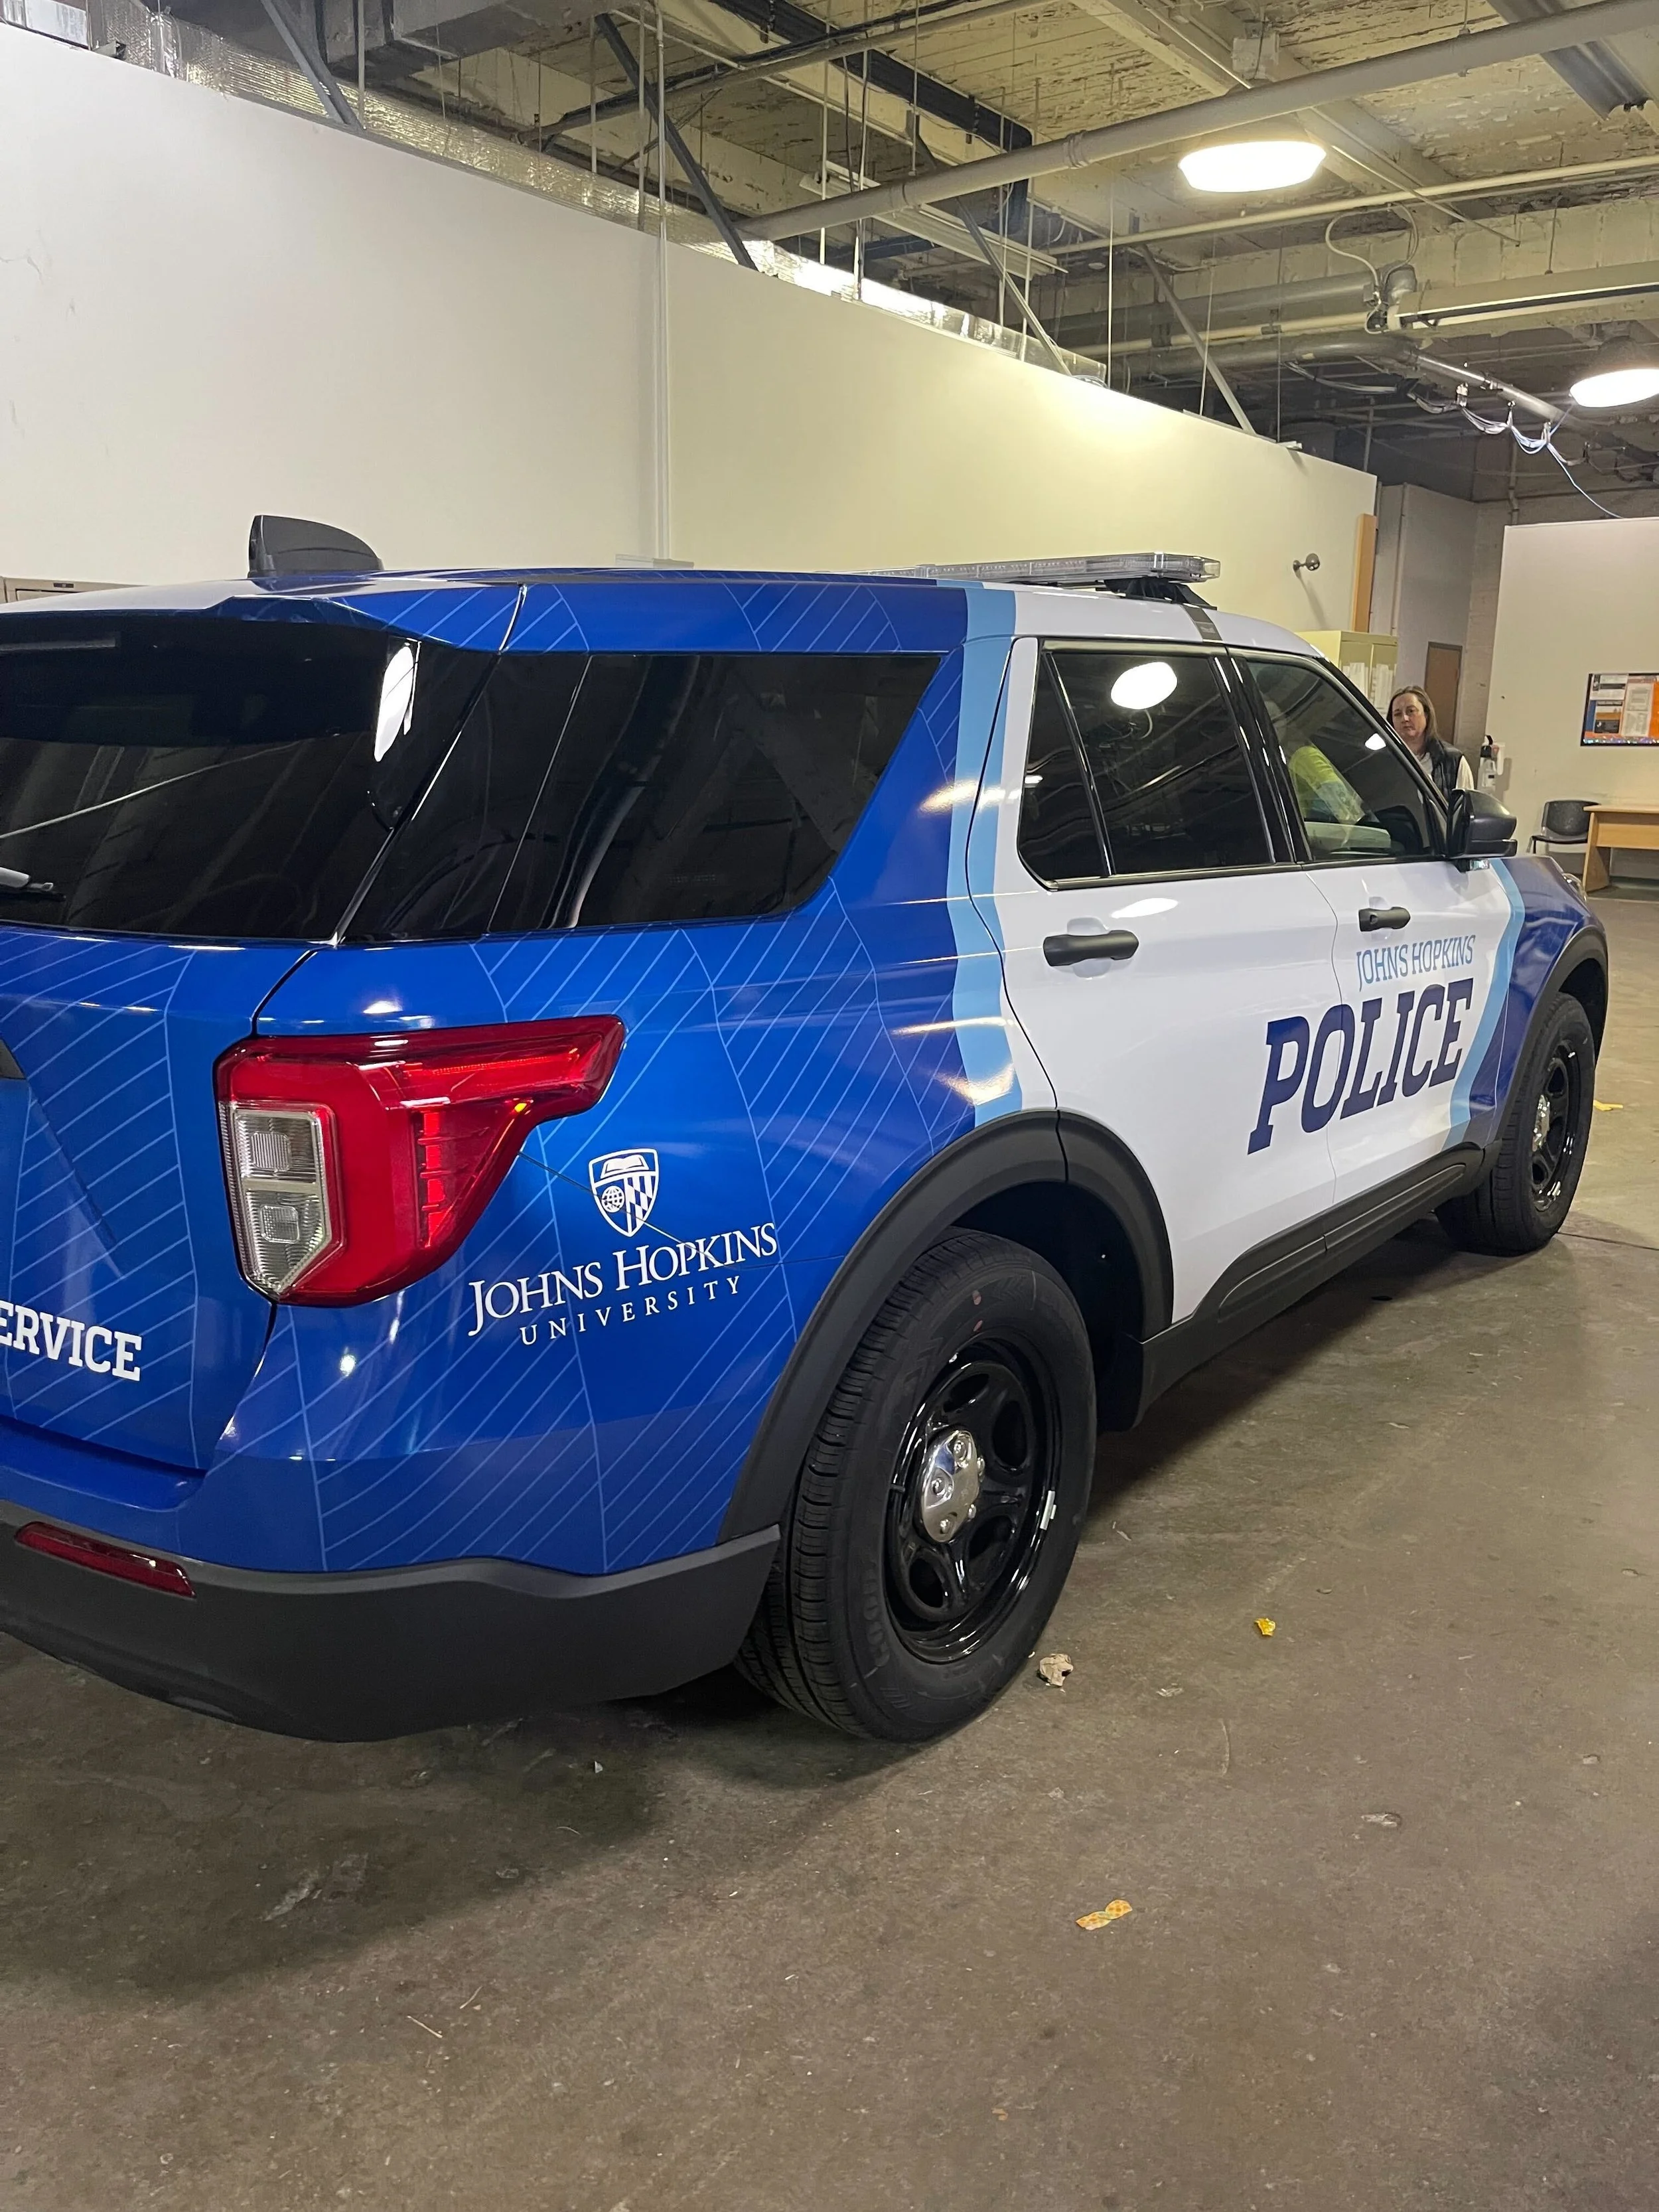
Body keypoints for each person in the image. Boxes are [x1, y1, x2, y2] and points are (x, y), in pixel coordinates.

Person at [1388, 685, 1473, 798]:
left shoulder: (1452, 761)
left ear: (1426, 715)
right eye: (1398, 714)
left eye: (1411, 711)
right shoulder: (1385, 758)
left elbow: (1465, 810)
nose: (1405, 718)